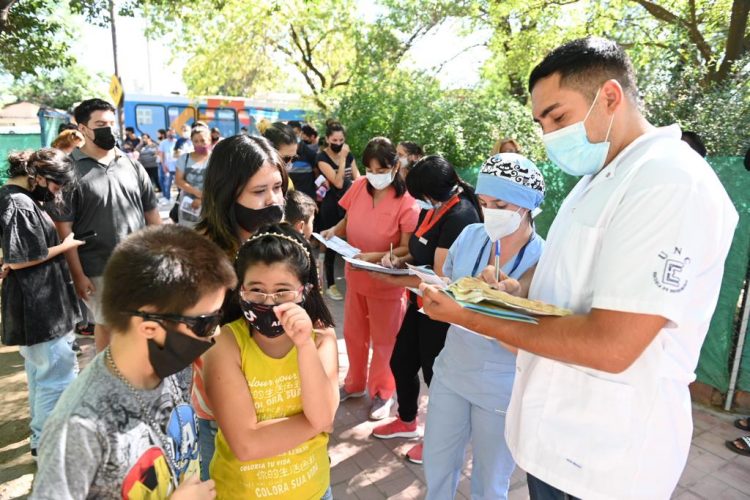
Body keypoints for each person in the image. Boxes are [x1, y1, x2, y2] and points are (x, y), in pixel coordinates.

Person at [420, 37, 738, 499]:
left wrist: (470, 315)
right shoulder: (597, 179)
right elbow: (568, 289)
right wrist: (513, 293)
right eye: (541, 122)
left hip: (605, 457)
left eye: (558, 117)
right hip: (558, 440)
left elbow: (613, 344)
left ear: (610, 96)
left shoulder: (669, 180)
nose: (549, 134)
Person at [31, 225, 236, 499]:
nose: (216, 332)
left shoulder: (175, 369)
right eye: (205, 322)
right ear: (150, 327)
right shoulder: (78, 427)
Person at [423, 153, 545, 498]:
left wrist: (496, 307)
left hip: (500, 386)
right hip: (451, 372)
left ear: (526, 207)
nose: (489, 210)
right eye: (483, 201)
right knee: (437, 468)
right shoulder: (471, 235)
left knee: (490, 484)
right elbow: (447, 283)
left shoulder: (544, 259)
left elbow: (530, 338)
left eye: (501, 204)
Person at [206, 224, 338, 498]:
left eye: (282, 292)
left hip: (313, 490)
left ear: (305, 291)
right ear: (240, 290)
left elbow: (324, 415)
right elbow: (246, 446)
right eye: (256, 290)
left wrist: (303, 346)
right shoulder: (225, 345)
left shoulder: (320, 339)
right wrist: (315, 423)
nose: (268, 303)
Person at [369, 155, 483, 465]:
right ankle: (406, 420)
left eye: (418, 194)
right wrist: (396, 262)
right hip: (420, 304)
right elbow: (420, 252)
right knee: (401, 362)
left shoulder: (461, 215)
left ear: (431, 192)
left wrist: (392, 278)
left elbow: (441, 276)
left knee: (438, 380)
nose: (416, 200)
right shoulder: (434, 210)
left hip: (442, 311)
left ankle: (440, 441)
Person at [192, 134, 289, 479]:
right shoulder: (199, 254)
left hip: (284, 404)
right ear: (227, 193)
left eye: (277, 187)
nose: (273, 200)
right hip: (222, 417)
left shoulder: (286, 243)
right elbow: (196, 342)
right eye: (259, 192)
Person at [49, 98, 161, 353]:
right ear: (83, 129)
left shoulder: (132, 164)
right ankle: (107, 385)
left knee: (139, 325)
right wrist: (77, 275)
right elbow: (63, 230)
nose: (108, 129)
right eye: (100, 124)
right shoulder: (69, 171)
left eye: (111, 123)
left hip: (137, 264)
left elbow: (153, 217)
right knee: (109, 326)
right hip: (97, 268)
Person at [321, 136, 419, 420]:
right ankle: (354, 384)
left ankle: (383, 392)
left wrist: (373, 257)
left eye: (380, 170)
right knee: (354, 335)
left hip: (385, 283)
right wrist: (333, 231)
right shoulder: (360, 186)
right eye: (370, 170)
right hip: (356, 275)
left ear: (394, 166)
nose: (374, 176)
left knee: (385, 341)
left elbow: (406, 248)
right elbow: (347, 219)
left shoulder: (407, 201)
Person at [1, 149, 81, 459]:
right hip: (39, 306)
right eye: (56, 186)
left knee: (41, 375)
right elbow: (23, 258)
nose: (57, 193)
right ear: (38, 177)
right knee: (56, 378)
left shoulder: (17, 198)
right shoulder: (18, 202)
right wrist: (65, 246)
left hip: (39, 303)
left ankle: (40, 441)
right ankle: (50, 447)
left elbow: (12, 256)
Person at [316, 120, 360, 301]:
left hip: (349, 204)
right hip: (332, 205)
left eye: (341, 139)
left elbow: (357, 178)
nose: (338, 143)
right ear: (327, 139)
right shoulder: (322, 158)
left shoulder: (349, 155)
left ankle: (356, 283)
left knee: (353, 242)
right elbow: (338, 182)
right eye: (334, 140)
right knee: (330, 245)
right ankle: (330, 284)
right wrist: (342, 159)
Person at [175, 125, 212, 228]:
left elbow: (219, 183)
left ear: (209, 140)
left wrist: (202, 199)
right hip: (188, 208)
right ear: (191, 141)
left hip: (210, 209)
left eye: (202, 140)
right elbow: (178, 181)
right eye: (196, 141)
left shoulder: (215, 159)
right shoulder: (184, 158)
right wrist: (197, 192)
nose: (199, 144)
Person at [158, 128, 178, 201]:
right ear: (167, 133)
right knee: (167, 183)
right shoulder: (163, 143)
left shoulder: (177, 142)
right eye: (169, 132)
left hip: (177, 166)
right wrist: (163, 165)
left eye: (172, 132)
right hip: (167, 166)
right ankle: (167, 197)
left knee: (178, 183)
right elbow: (161, 154)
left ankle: (178, 199)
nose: (171, 134)